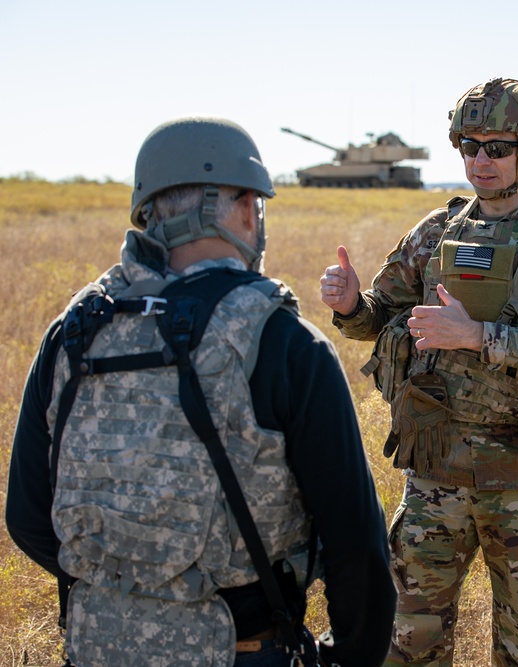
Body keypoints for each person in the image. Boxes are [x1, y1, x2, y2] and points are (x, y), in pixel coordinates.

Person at [5, 116, 396, 667]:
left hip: (97, 649)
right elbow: (358, 551)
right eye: (256, 206)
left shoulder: (75, 331)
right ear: (239, 207)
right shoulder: (284, 342)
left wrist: (137, 608)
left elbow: (26, 517)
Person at [320, 77, 518, 666]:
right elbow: (381, 317)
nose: (481, 160)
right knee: (410, 641)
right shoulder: (436, 231)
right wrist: (352, 305)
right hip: (436, 474)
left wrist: (480, 337)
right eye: (470, 145)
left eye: (498, 147)